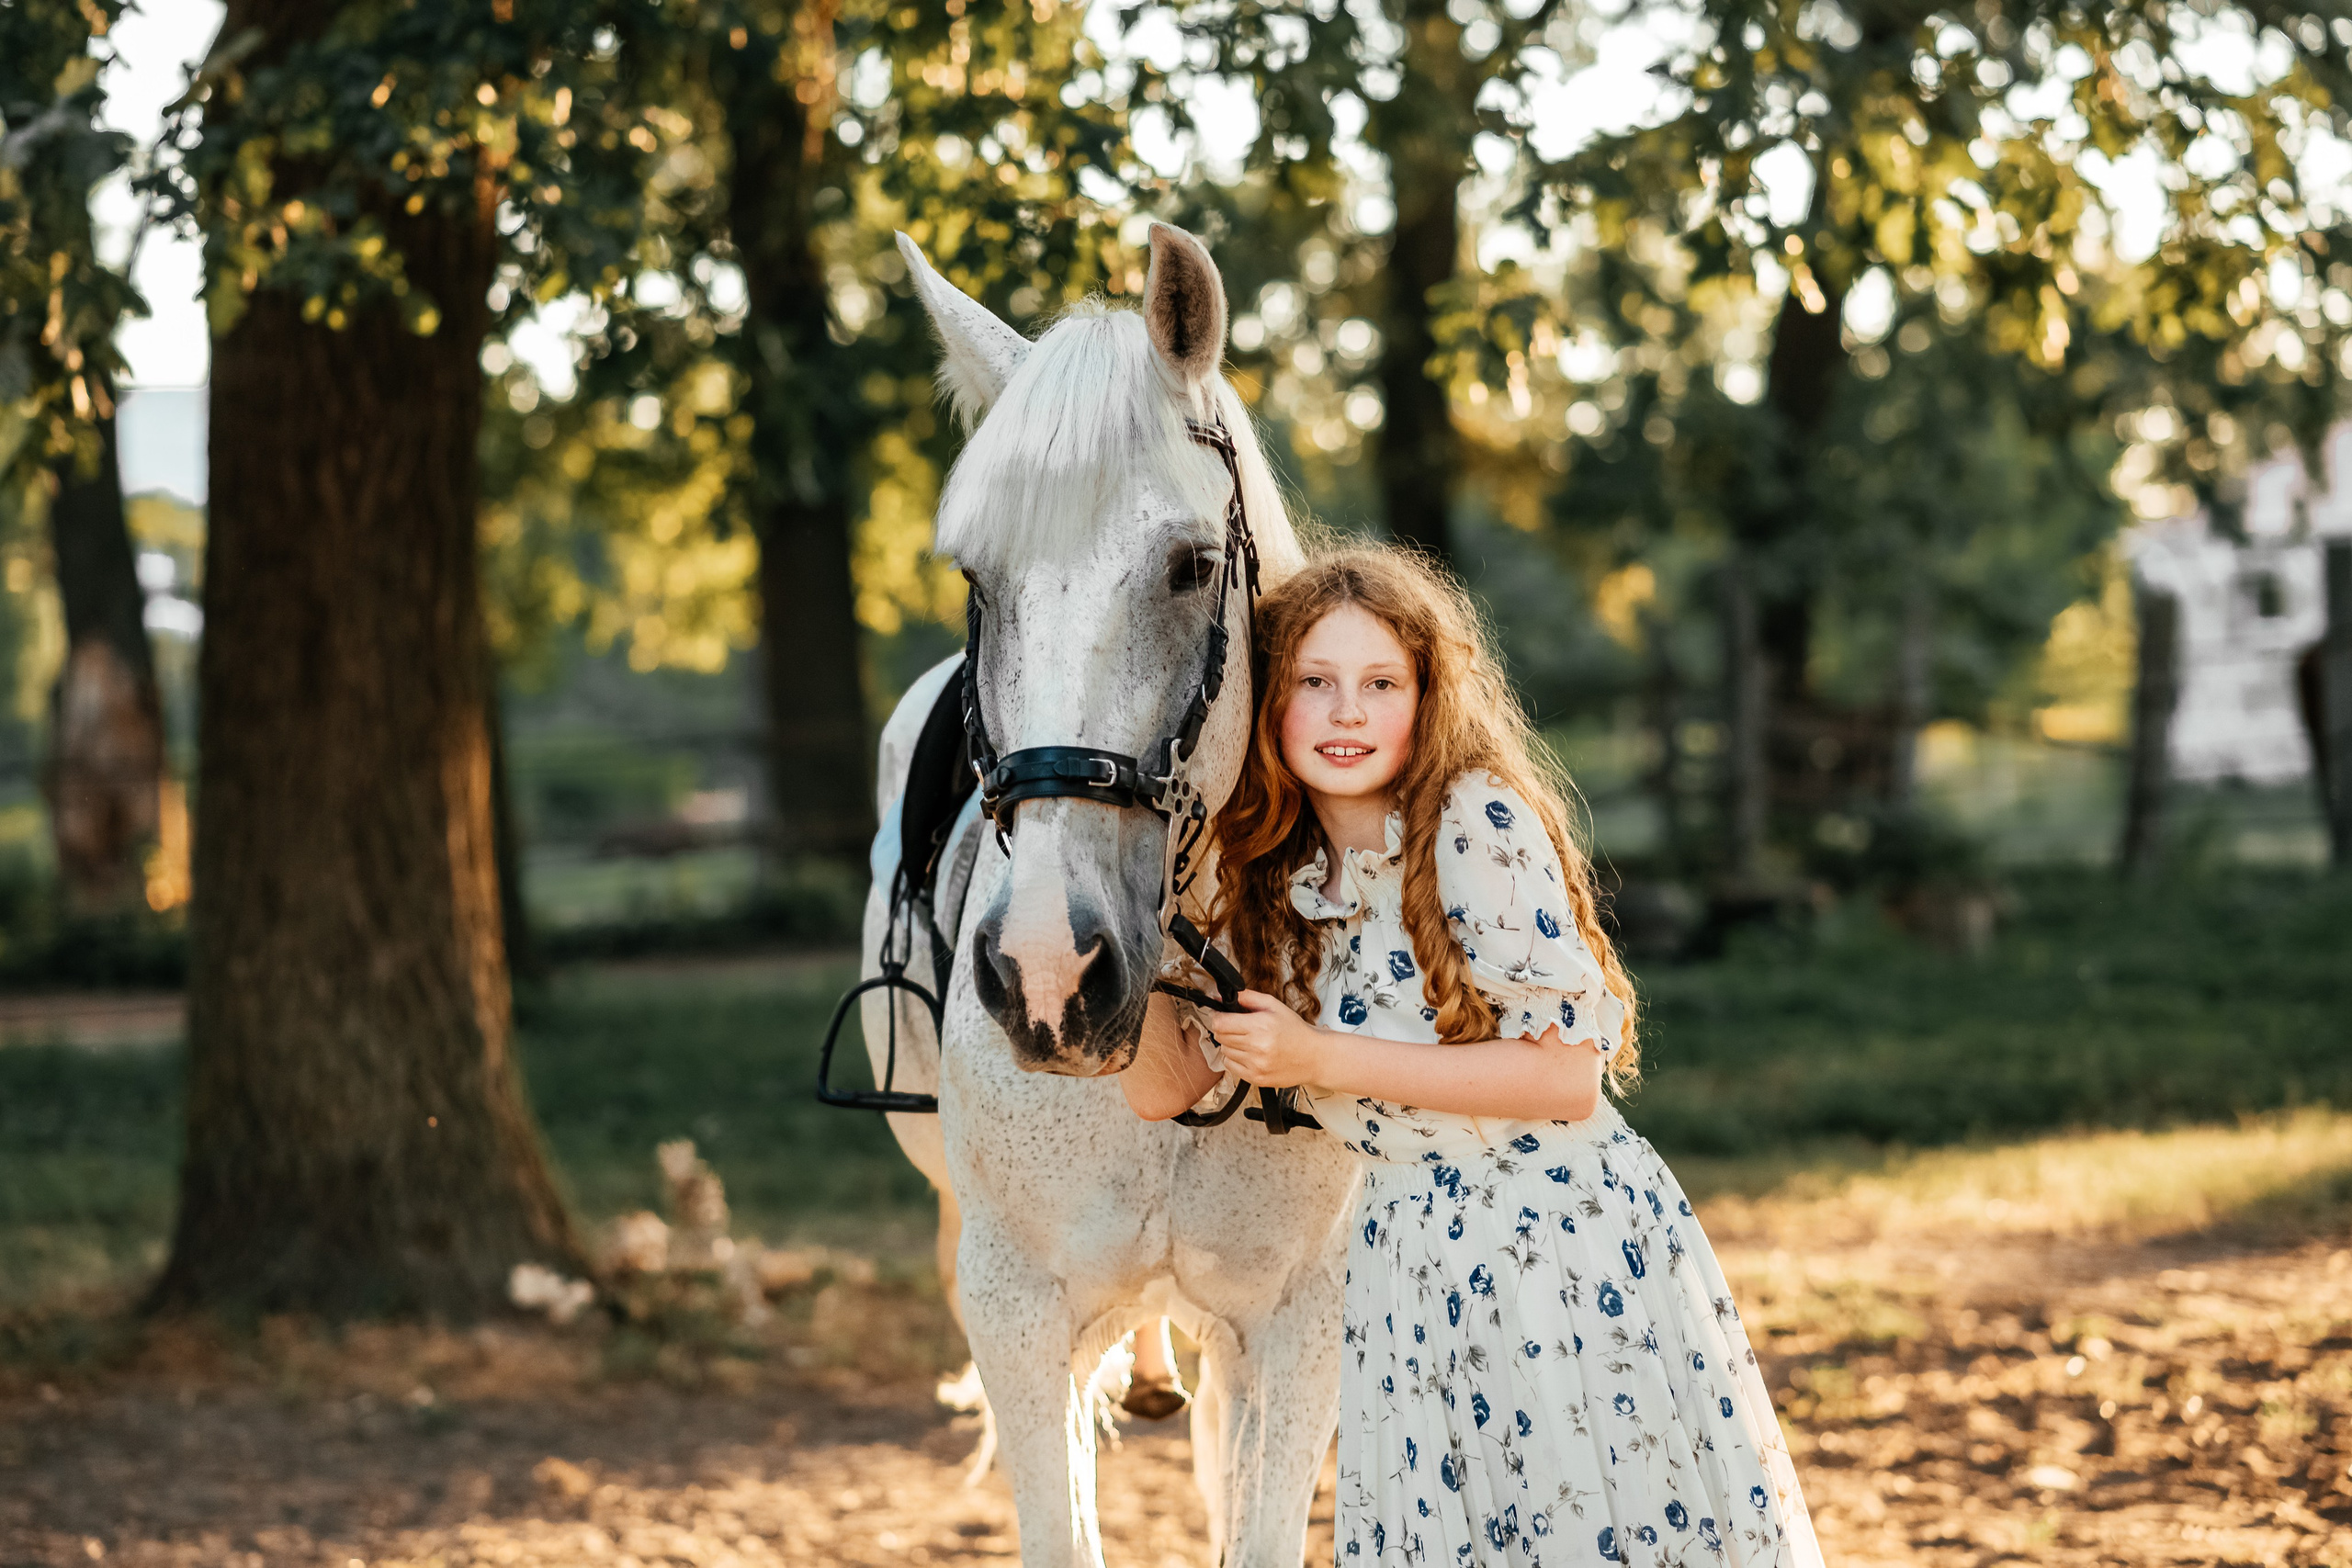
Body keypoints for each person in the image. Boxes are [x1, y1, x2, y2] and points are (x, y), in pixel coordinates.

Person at [1121, 547, 1821, 1567]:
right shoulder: (1268, 880)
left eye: (1379, 685)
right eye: (1314, 683)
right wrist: (1111, 938)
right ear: (1268, 705)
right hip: (1408, 1258)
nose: (1347, 713)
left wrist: (1316, 1052)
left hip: (1553, 1238)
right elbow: (1167, 1088)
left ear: (1424, 698)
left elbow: (1562, 1078)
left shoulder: (1469, 823)